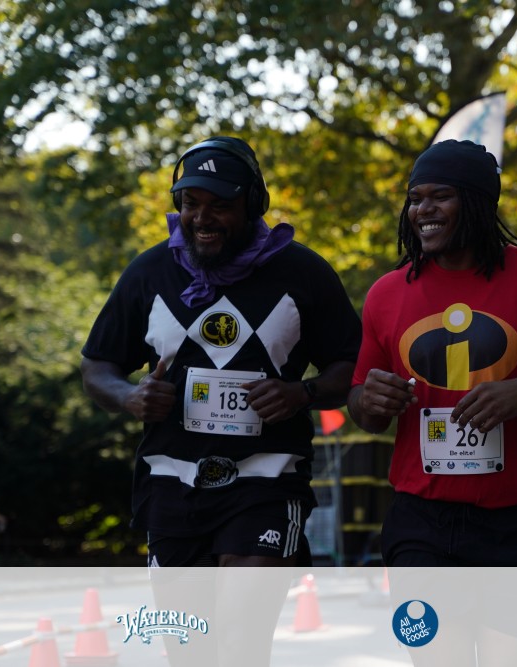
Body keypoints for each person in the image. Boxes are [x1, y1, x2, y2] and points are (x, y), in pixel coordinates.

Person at [80, 136, 361, 665]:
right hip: (171, 483)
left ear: (253, 205)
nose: (201, 219)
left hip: (267, 480)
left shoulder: (302, 273)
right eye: (190, 204)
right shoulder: (149, 273)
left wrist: (301, 393)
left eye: (220, 206)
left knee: (239, 641)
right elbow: (97, 366)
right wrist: (130, 397)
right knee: (190, 651)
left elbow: (352, 365)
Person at [348, 140, 517, 665]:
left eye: (440, 196)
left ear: (476, 201)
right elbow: (364, 406)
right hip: (420, 526)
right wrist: (370, 399)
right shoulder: (386, 293)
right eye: (415, 198)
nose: (422, 210)